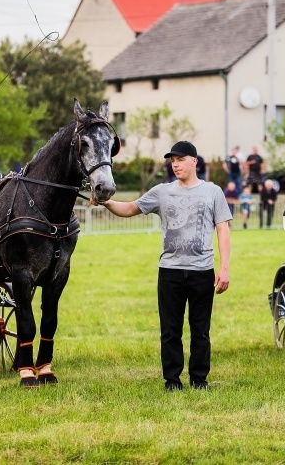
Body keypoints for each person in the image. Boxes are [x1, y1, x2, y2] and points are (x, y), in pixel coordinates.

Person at [98, 141, 231, 391]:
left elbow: (223, 229)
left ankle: (199, 379)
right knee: (170, 331)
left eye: (180, 159)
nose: (175, 164)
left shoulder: (213, 192)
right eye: (172, 160)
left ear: (194, 161)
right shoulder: (162, 192)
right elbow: (129, 209)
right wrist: (106, 202)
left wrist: (224, 268)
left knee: (200, 331)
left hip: (202, 271)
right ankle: (172, 380)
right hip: (170, 272)